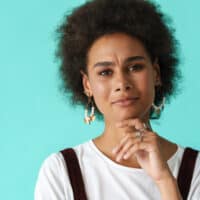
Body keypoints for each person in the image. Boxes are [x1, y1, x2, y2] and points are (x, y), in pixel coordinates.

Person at [34, 0, 200, 199]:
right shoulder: (61, 171)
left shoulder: (195, 169)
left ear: (156, 73)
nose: (122, 83)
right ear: (87, 85)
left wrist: (165, 180)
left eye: (135, 67)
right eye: (105, 72)